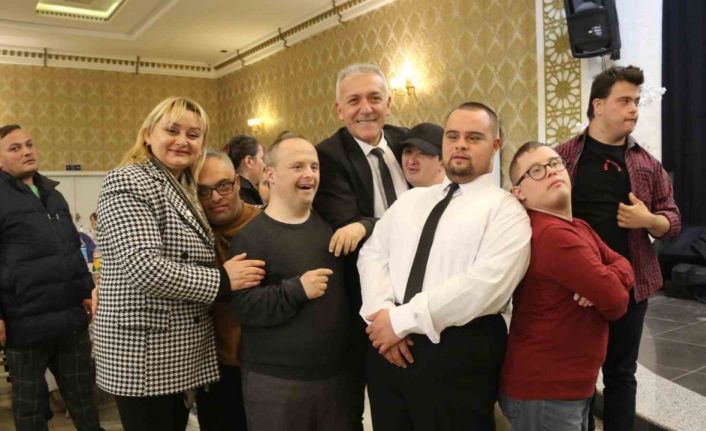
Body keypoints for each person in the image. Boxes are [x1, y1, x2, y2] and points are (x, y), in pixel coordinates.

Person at [358, 102, 531, 430]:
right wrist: (383, 313)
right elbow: (373, 254)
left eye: (473, 137)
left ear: (495, 145)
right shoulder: (411, 200)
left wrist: (401, 321)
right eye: (453, 136)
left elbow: (485, 285)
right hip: (389, 346)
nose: (460, 144)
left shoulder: (505, 210)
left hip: (458, 350)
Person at [93, 97, 260, 431]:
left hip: (177, 351)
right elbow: (145, 267)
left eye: (193, 134)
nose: (183, 140)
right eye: (172, 130)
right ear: (148, 134)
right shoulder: (129, 180)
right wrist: (223, 280)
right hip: (144, 355)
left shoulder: (184, 183)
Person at [556, 65, 681, 431]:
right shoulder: (562, 158)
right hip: (576, 287)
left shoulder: (647, 164)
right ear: (598, 105)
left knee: (621, 373)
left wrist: (649, 220)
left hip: (631, 286)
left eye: (636, 102)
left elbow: (673, 221)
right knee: (575, 371)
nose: (634, 110)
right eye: (625, 101)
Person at [499, 142, 634, 430]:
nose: (550, 171)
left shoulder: (578, 226)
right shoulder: (552, 235)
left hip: (566, 387)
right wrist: (607, 282)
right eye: (536, 170)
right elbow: (616, 302)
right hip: (546, 390)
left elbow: (625, 264)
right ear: (519, 193)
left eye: (555, 163)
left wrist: (607, 276)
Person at [229, 135, 352, 431]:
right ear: (270, 174)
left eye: (314, 167)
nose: (309, 174)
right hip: (276, 383)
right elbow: (245, 308)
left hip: (336, 380)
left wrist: (364, 226)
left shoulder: (330, 229)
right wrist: (296, 290)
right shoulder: (252, 238)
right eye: (297, 166)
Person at [313, 63, 409, 430]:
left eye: (374, 98)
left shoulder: (410, 143)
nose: (365, 109)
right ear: (339, 109)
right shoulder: (327, 156)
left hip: (423, 284)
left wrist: (366, 223)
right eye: (353, 101)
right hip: (367, 293)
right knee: (386, 399)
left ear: (389, 102)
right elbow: (346, 223)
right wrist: (366, 225)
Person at [0, 124, 102, 431]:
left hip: (70, 318)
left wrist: (86, 290)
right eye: (15, 148)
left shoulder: (54, 195)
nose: (27, 151)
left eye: (29, 144)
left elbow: (72, 246)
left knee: (84, 401)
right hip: (24, 322)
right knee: (30, 408)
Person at [195, 149, 263, 431]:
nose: (215, 197)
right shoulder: (191, 234)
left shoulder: (266, 223)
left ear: (237, 182)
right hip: (213, 366)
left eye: (223, 185)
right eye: (203, 191)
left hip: (265, 364)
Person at [224, 135, 265, 205]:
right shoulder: (245, 196)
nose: (264, 165)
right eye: (262, 158)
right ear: (249, 161)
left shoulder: (229, 189)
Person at [400, 122, 445, 187]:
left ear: (442, 162)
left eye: (423, 153)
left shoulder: (458, 192)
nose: (411, 161)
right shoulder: (407, 193)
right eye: (408, 152)